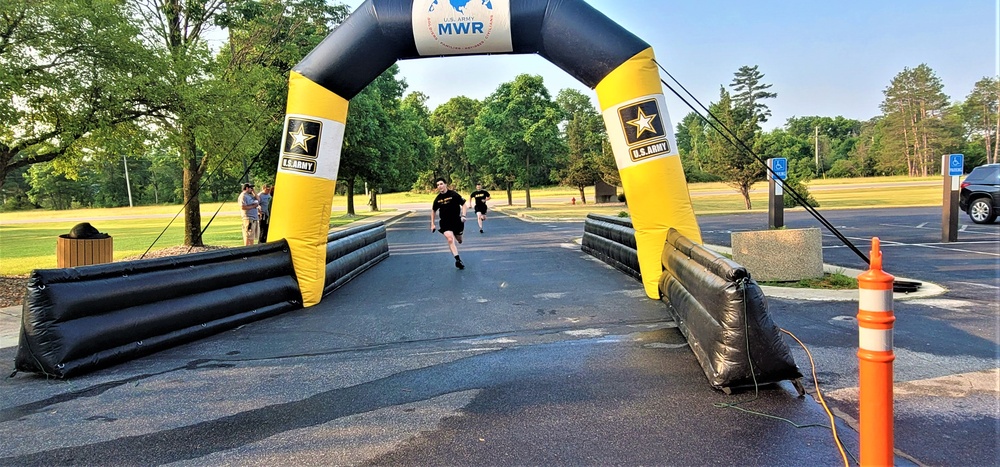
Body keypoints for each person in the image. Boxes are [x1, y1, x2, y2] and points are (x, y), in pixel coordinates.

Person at [430, 177, 467, 269]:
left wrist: (463, 215)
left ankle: (458, 237)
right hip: (445, 222)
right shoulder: (438, 199)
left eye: (441, 184)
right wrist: (432, 224)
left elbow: (464, 204)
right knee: (450, 239)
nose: (440, 186)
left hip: (457, 221)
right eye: (438, 185)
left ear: (446, 184)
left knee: (459, 240)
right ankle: (458, 260)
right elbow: (433, 210)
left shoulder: (453, 194)